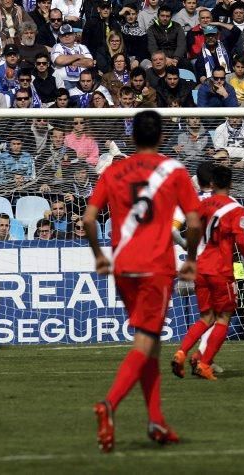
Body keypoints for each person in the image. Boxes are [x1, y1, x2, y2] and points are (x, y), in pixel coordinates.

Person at [87, 110, 202, 453]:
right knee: (146, 341)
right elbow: (194, 223)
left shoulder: (113, 170)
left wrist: (98, 255)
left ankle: (156, 420)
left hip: (123, 267)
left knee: (150, 343)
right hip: (155, 266)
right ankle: (108, 405)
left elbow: (90, 218)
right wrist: (193, 258)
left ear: (133, 137)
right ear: (162, 136)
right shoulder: (175, 171)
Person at [172, 165, 244, 381]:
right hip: (220, 269)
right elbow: (241, 240)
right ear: (230, 183)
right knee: (224, 317)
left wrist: (190, 257)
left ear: (212, 183)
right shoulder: (235, 208)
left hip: (200, 266)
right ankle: (204, 363)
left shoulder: (201, 204)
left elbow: (191, 230)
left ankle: (181, 353)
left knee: (206, 317)